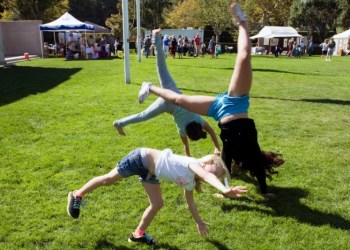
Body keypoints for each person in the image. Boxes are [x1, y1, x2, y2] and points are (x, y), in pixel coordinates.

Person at [138, 2, 284, 197]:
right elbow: (256, 168)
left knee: (180, 100)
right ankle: (242, 22)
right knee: (244, 57)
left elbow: (225, 170)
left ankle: (149, 87)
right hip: (236, 101)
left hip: (218, 110)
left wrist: (224, 190)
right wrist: (265, 193)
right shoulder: (253, 151)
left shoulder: (229, 153)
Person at [67, 147, 248, 245]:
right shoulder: (193, 163)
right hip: (140, 158)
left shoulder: (190, 182)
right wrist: (224, 190)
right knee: (109, 180)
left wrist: (198, 221)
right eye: (213, 170)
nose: (211, 175)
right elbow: (207, 176)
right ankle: (78, 195)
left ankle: (138, 234)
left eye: (217, 176)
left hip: (150, 173)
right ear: (206, 161)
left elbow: (190, 202)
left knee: (157, 204)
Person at [113, 29, 221, 157]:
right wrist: (189, 160)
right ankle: (119, 122)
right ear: (188, 132)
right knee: (142, 116)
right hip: (167, 104)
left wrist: (217, 147)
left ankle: (155, 37)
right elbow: (186, 145)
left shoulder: (198, 119)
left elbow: (212, 132)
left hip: (173, 92)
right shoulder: (182, 129)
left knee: (161, 65)